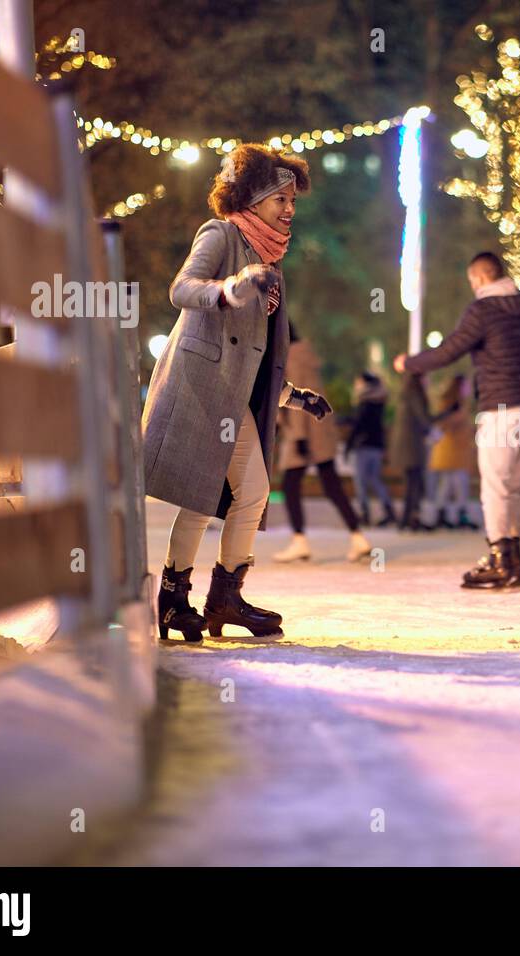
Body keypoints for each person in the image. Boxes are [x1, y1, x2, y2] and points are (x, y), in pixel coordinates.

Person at [143, 144, 331, 642]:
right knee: (201, 498)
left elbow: (253, 354)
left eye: (293, 202)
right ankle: (172, 599)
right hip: (201, 389)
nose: (290, 210)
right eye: (281, 200)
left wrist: (293, 395)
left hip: (235, 398)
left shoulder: (271, 261)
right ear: (254, 198)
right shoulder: (223, 234)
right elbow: (182, 289)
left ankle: (224, 598)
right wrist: (229, 288)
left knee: (250, 493)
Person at [393, 251, 520, 588]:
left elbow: (449, 350)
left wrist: (409, 363)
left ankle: (501, 560)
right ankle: (514, 562)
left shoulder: (482, 309)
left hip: (500, 411)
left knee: (495, 490)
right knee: (511, 487)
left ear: (478, 278)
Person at [273, 327, 373, 563]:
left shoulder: (290, 356)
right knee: (331, 485)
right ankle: (359, 538)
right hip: (319, 430)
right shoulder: (305, 352)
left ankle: (300, 542)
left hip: (306, 431)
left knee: (290, 486)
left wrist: (298, 438)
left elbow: (294, 397)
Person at [427, 374, 479, 531]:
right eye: (466, 386)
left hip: (457, 451)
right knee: (458, 484)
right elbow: (443, 424)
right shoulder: (451, 405)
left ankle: (442, 515)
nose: (469, 389)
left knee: (448, 485)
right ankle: (459, 515)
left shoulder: (460, 405)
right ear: (459, 387)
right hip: (451, 451)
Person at [346, 371, 396, 527]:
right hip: (377, 446)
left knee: (360, 481)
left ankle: (364, 513)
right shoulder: (379, 402)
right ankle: (389, 510)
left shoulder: (365, 402)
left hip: (363, 446)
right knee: (375, 479)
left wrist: (349, 445)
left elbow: (359, 425)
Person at [389, 370, 434, 532]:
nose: (427, 381)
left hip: (406, 445)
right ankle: (410, 518)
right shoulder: (415, 395)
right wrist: (443, 416)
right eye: (425, 377)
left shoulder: (405, 395)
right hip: (412, 446)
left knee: (412, 482)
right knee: (414, 483)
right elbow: (424, 419)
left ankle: (409, 518)